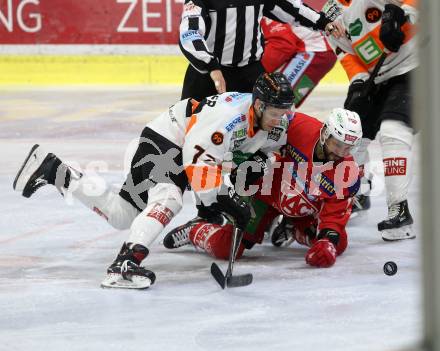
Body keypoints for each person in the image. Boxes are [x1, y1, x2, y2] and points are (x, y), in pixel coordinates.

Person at [13, 72, 295, 289]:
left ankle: (54, 170)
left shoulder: (275, 122)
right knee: (169, 199)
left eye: (283, 113)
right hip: (166, 139)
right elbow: (197, 166)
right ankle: (124, 265)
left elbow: (271, 150)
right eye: (274, 113)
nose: (280, 119)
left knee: (122, 215)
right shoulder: (225, 120)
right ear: (258, 105)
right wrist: (226, 200)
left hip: (184, 148)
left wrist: (262, 162)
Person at [164, 108, 362, 268]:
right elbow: (261, 133)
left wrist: (326, 242)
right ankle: (195, 229)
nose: (341, 152)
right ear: (325, 133)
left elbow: (334, 218)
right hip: (263, 197)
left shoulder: (347, 172)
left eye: (348, 148)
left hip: (302, 211)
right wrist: (247, 162)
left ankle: (292, 229)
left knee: (338, 244)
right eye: (338, 144)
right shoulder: (299, 126)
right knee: (227, 249)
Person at [326, 0, 418, 240]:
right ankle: (358, 191)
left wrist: (403, 14)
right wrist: (358, 82)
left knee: (393, 129)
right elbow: (345, 51)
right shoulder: (330, 11)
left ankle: (399, 210)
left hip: (416, 64)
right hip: (375, 78)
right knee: (349, 137)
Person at [179, 0, 345, 101]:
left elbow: (290, 8)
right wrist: (211, 66)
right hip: (208, 75)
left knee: (257, 134)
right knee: (189, 128)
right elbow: (189, 32)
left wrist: (323, 22)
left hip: (249, 74)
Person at [260, 17, 337, 107]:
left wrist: (256, 72)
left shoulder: (264, 16)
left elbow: (284, 45)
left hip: (315, 52)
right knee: (280, 101)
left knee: (277, 100)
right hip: (317, 52)